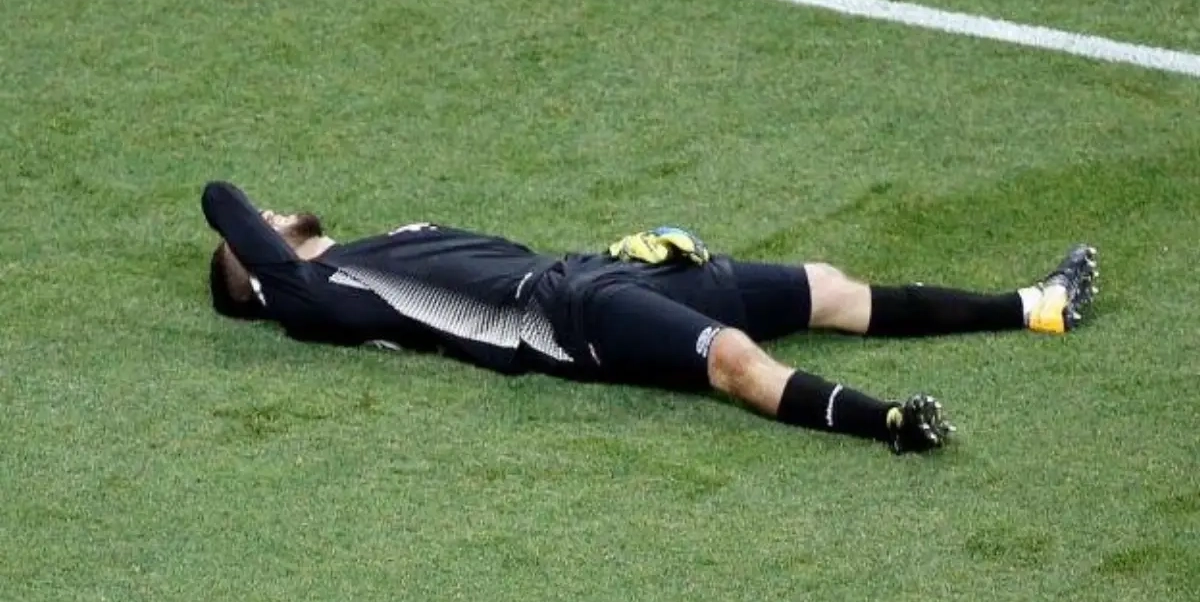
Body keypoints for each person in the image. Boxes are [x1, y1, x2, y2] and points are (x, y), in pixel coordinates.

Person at [202, 181, 1098, 455]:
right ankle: (891, 423)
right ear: (259, 277)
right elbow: (220, 197)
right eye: (262, 233)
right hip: (565, 320)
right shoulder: (320, 295)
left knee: (827, 287)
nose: (274, 213)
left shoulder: (378, 248)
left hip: (600, 272)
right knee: (731, 358)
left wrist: (622, 254)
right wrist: (251, 259)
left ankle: (1037, 306)